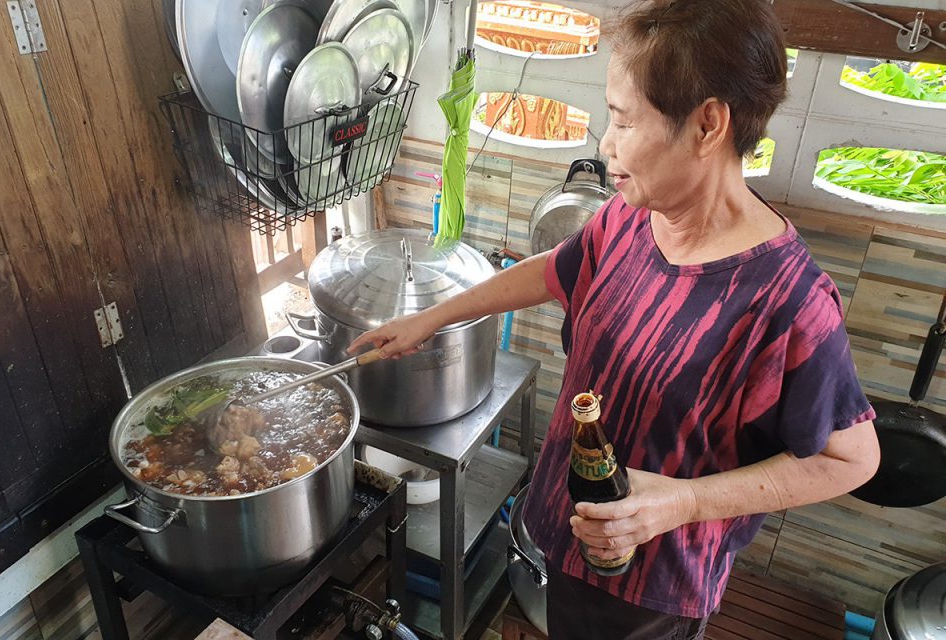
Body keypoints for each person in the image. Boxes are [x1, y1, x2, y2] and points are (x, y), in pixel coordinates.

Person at [348, 1, 880, 637]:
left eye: (623, 120)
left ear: (708, 124)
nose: (605, 143)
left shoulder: (787, 300)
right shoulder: (632, 213)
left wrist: (682, 501)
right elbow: (558, 268)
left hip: (648, 583)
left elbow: (852, 458)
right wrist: (433, 318)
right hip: (569, 529)